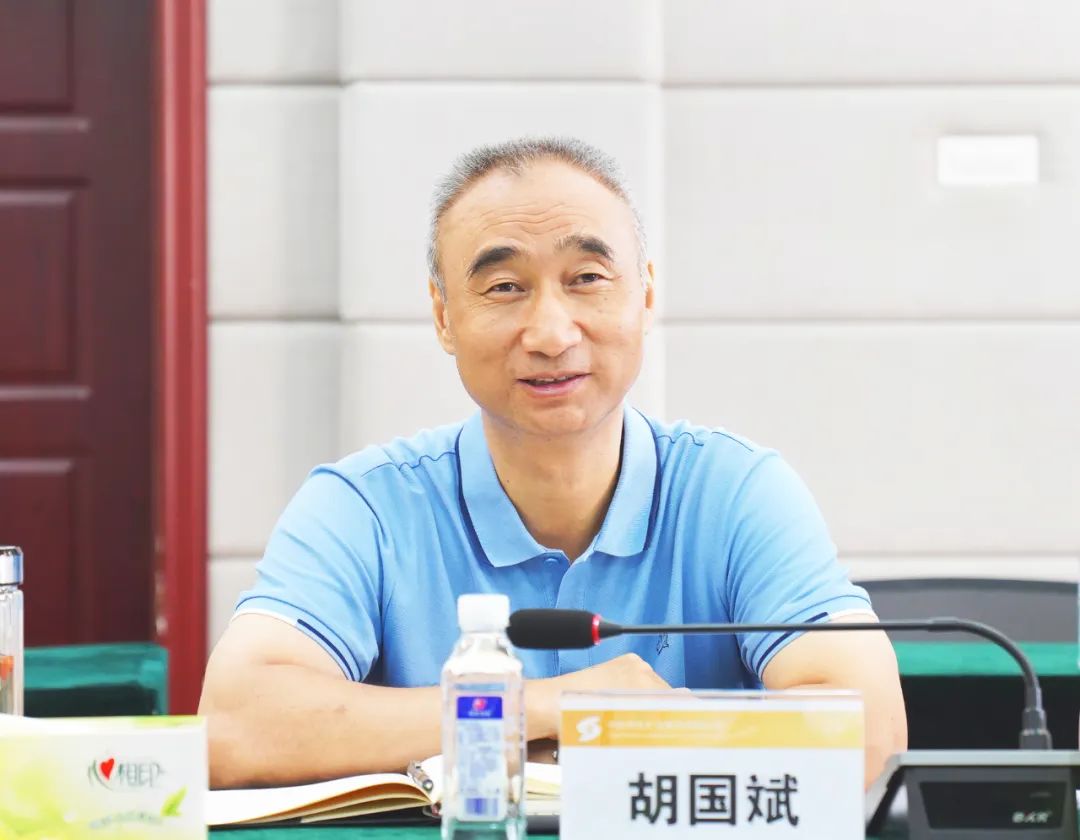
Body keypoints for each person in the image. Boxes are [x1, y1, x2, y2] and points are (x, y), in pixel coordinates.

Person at [200, 137, 906, 790]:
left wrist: (621, 731)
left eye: (587, 278)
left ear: (646, 296)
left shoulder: (736, 492)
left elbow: (870, 733)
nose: (550, 333)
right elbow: (233, 727)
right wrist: (549, 705)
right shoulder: (363, 507)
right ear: (443, 316)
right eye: (504, 287)